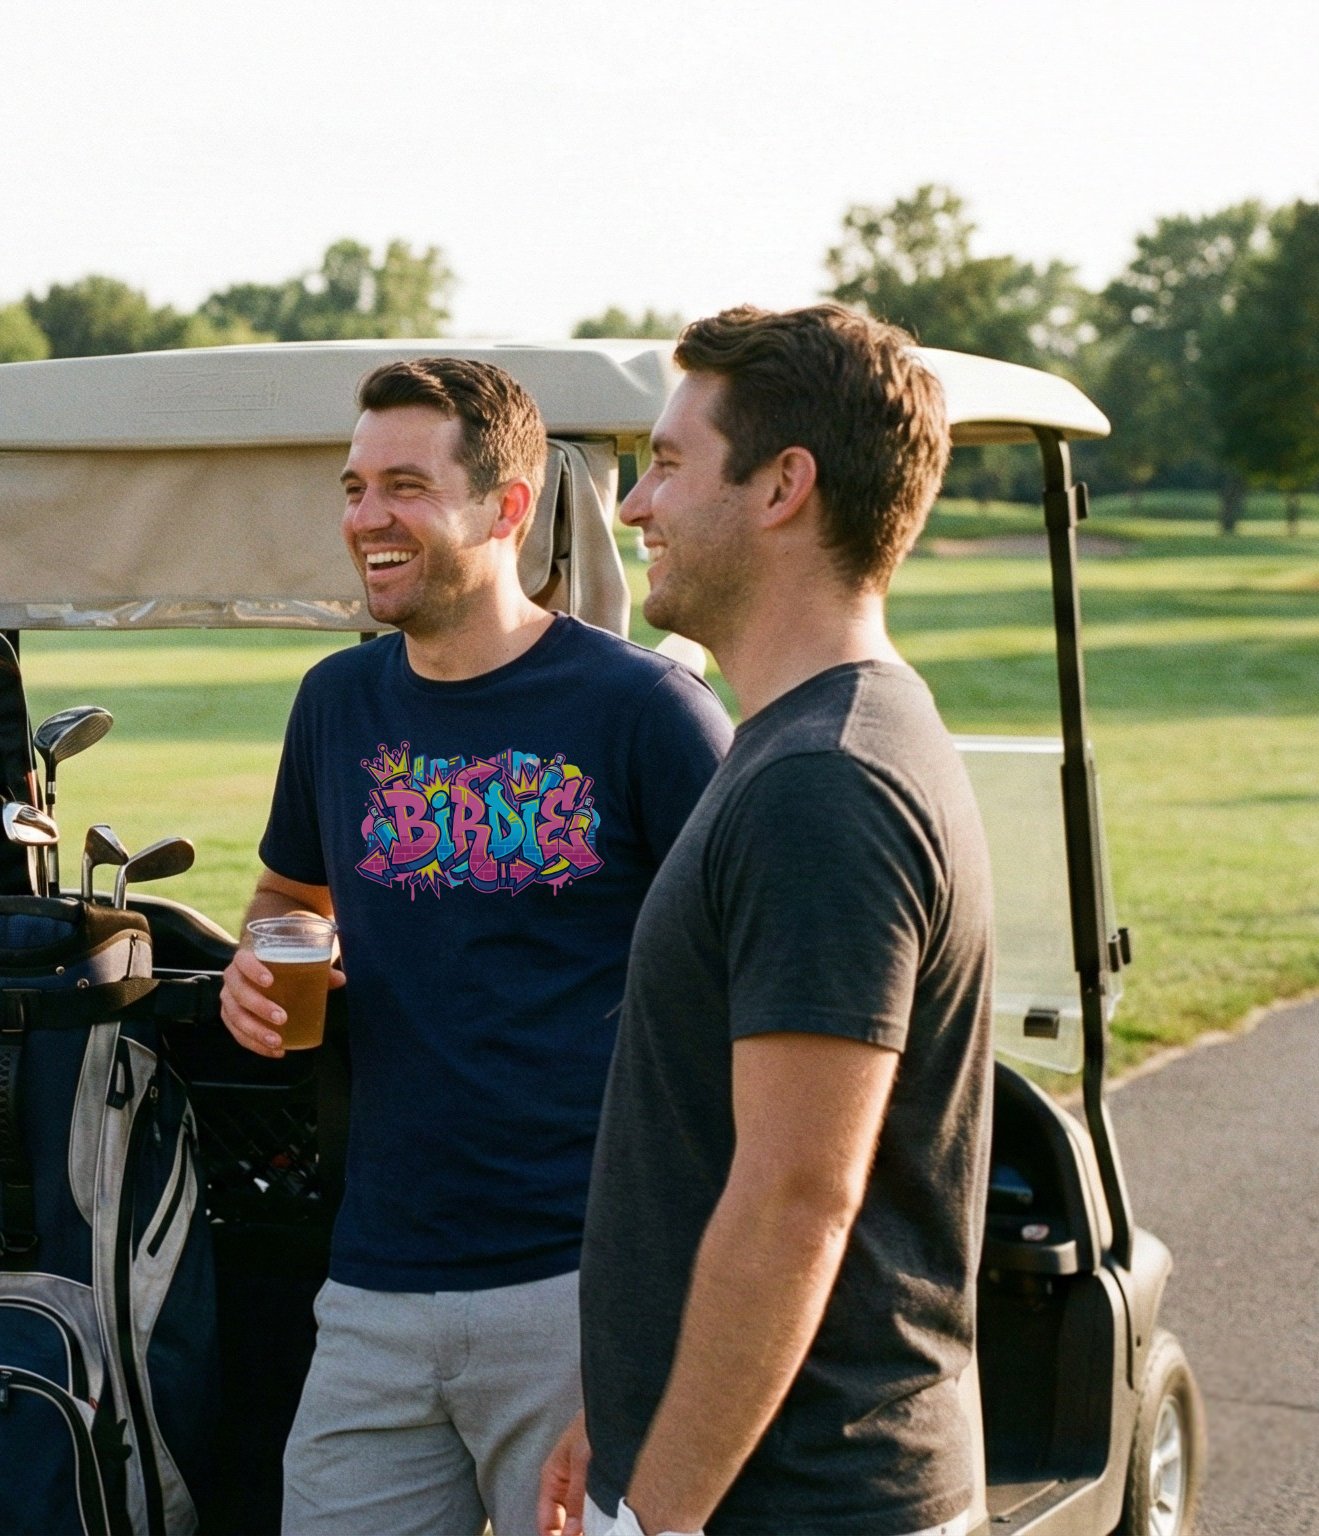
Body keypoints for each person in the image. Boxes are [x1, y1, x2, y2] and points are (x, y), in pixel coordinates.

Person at [219, 358, 733, 1536]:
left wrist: (659, 1319)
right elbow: (288, 893)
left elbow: (738, 1003)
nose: (365, 518)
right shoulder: (335, 703)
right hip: (372, 1280)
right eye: (353, 488)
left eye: (405, 486)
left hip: (578, 1282)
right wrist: (261, 960)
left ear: (506, 508)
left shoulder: (645, 711)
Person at [540, 305, 991, 1536]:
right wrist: (624, 1411)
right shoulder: (807, 741)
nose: (634, 506)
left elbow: (796, 1201)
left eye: (666, 465)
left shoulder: (822, 782)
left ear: (783, 486)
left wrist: (656, 1516)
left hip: (797, 1501)